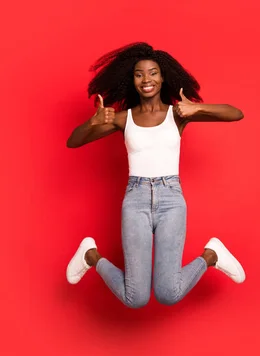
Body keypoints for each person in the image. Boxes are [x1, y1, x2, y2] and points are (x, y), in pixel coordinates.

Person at [66, 42, 246, 308]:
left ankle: (211, 255)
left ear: (163, 77)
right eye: (139, 74)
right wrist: (92, 122)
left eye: (153, 73)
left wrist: (197, 109)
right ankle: (90, 256)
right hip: (135, 199)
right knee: (135, 298)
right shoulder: (122, 118)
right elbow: (73, 141)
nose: (146, 79)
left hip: (171, 199)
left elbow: (235, 113)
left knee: (167, 293)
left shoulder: (178, 114)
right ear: (133, 80)